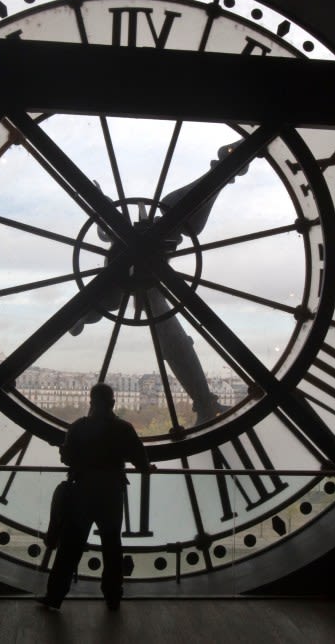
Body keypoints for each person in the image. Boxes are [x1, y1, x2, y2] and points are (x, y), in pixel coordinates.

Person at [68, 141, 250, 424]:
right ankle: (204, 403)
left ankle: (228, 166)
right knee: (169, 332)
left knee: (167, 330)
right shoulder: (172, 212)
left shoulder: (116, 284)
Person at [38, 383, 153, 612]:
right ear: (112, 403)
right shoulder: (123, 428)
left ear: (91, 401)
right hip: (111, 493)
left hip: (82, 492)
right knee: (112, 546)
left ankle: (55, 596)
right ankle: (112, 596)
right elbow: (140, 461)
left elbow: (68, 459)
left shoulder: (79, 427)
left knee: (70, 548)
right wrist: (147, 467)